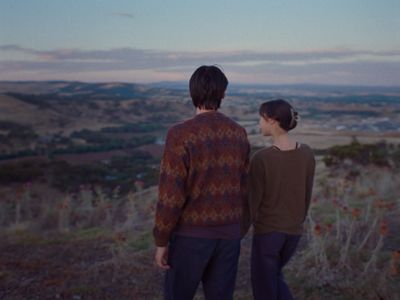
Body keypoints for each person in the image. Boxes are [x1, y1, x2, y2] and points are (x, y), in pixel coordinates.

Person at [153, 65, 250, 300]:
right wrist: (238, 229)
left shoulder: (180, 134)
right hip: (229, 235)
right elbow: (245, 187)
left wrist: (161, 240)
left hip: (190, 236)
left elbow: (171, 194)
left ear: (191, 93)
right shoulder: (238, 133)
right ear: (223, 94)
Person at [242, 99, 315, 300]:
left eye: (261, 118)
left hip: (268, 233)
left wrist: (238, 232)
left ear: (273, 121)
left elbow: (252, 201)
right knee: (274, 278)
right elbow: (306, 194)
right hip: (293, 232)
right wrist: (298, 221)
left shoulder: (262, 158)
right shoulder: (307, 152)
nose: (260, 123)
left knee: (264, 285)